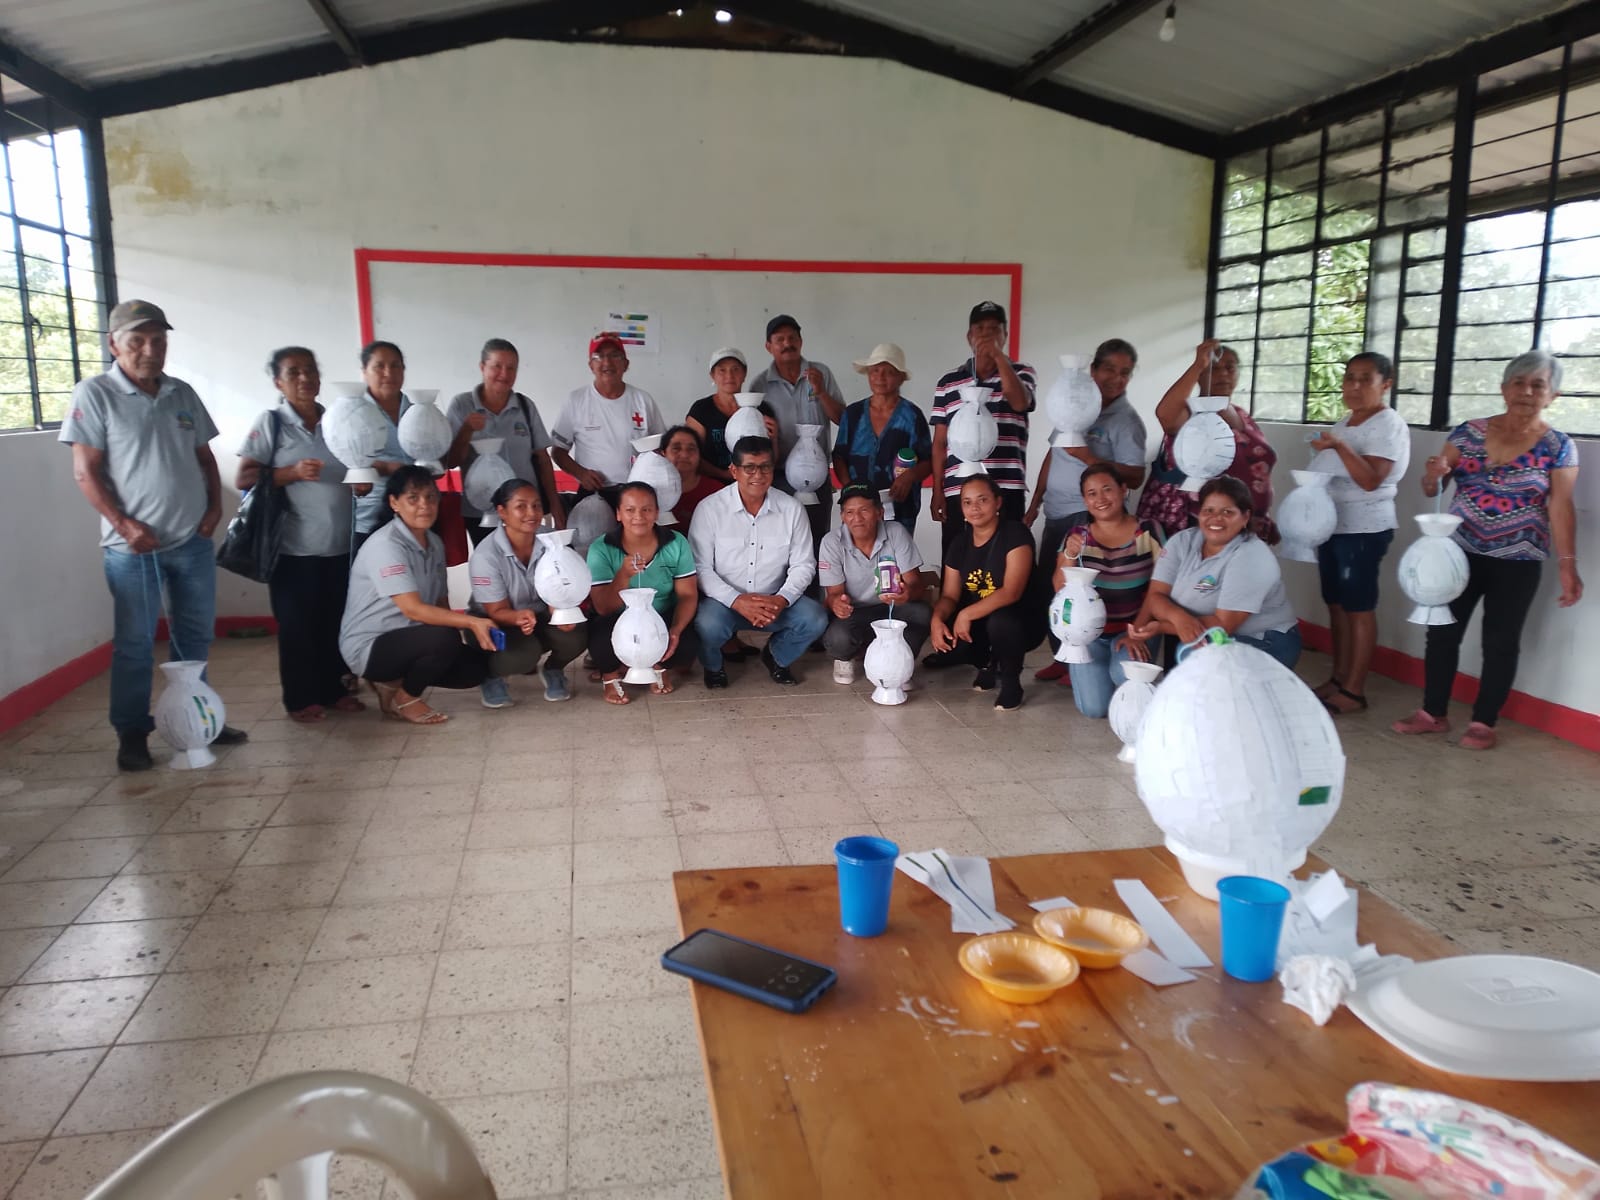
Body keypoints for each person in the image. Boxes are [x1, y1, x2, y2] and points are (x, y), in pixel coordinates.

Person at [60, 299, 249, 770]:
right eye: (138, 340)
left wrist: (214, 508)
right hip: (131, 550)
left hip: (190, 542)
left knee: (194, 639)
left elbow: (205, 459)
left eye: (159, 340)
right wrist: (125, 525)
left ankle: (199, 718)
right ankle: (132, 732)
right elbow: (85, 472)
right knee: (135, 644)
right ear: (114, 344)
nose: (150, 350)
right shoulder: (95, 394)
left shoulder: (181, 393)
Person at [1393, 350, 1582, 751]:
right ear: (1503, 389)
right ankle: (1432, 713)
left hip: (1519, 559)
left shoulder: (1558, 446)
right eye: (1519, 383)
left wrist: (1568, 565)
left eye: (1538, 385)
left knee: (1500, 641)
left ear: (1553, 396)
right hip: (1457, 554)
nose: (1526, 391)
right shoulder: (1468, 433)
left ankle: (1483, 722)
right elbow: (1432, 488)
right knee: (1442, 632)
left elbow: (1561, 507)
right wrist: (1432, 475)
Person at [235, 347, 367, 723]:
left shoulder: (338, 421)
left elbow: (354, 469)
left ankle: (335, 690)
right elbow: (244, 477)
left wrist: (360, 484)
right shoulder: (272, 422)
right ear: (279, 382)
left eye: (310, 370)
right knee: (297, 626)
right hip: (293, 548)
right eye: (293, 372)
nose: (305, 378)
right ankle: (300, 698)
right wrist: (290, 473)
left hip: (340, 544)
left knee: (335, 621)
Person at [1026, 337, 1148, 678]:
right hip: (1055, 513)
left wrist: (1090, 457)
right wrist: (1035, 503)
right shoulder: (1074, 404)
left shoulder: (1127, 422)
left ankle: (1079, 663)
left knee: (1079, 588)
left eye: (1124, 373)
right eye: (1109, 369)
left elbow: (1135, 476)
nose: (1116, 378)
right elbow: (1052, 456)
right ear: (1093, 370)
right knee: (1052, 586)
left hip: (1088, 515)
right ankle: (1063, 656)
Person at [339, 466, 495, 725]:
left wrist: (458, 638)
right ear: (394, 503)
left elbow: (441, 601)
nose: (424, 505)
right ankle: (406, 699)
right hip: (370, 645)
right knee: (443, 638)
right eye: (413, 498)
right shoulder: (386, 545)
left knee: (474, 669)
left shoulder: (434, 543)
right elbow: (412, 609)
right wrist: (471, 622)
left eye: (431, 497)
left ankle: (392, 683)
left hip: (411, 636)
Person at [1306, 352, 1412, 715]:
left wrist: (1338, 446)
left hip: (1364, 528)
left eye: (1365, 379)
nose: (1354, 386)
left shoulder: (1388, 424)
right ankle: (1338, 678)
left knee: (1358, 608)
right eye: (1349, 377)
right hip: (1332, 525)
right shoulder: (1346, 421)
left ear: (1386, 384)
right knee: (1336, 605)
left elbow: (1370, 480)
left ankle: (1354, 690)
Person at [688, 436, 829, 688]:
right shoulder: (709, 509)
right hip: (725, 603)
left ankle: (777, 656)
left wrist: (782, 599)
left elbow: (804, 564)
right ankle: (713, 666)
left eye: (765, 467)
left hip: (774, 600)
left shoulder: (792, 509)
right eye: (749, 468)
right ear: (734, 471)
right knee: (706, 624)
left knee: (815, 618)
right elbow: (700, 568)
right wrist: (737, 600)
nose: (758, 475)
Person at [1129, 476, 1300, 668]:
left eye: (1227, 512)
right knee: (1184, 667)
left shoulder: (1251, 556)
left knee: (1196, 658)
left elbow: (1223, 624)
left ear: (1245, 517)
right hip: (1197, 632)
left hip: (1263, 640)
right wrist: (1178, 618)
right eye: (1208, 510)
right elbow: (1156, 596)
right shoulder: (1182, 541)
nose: (1216, 518)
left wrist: (1163, 626)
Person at [1049, 465, 1166, 716]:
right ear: (1084, 500)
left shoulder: (1148, 531)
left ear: (1123, 490)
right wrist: (1070, 554)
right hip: (1090, 635)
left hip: (1136, 626)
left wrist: (1137, 632)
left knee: (1124, 677)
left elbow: (1161, 588)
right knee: (1093, 708)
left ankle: (1137, 684)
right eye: (1091, 493)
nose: (1100, 499)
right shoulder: (1077, 535)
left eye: (1107, 489)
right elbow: (1060, 589)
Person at [1137, 339, 1278, 544]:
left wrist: (1262, 515)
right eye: (1214, 368)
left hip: (1245, 526)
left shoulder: (1242, 415)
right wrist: (1197, 365)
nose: (1223, 374)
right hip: (1199, 526)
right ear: (1200, 376)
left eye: (1230, 368)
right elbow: (1165, 415)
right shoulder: (1190, 415)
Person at [926, 475, 1044, 710]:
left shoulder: (1015, 534)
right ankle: (988, 663)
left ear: (997, 502)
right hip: (982, 617)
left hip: (1022, 620)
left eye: (982, 500)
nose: (975, 508)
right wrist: (936, 620)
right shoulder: (960, 543)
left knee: (1001, 620)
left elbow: (1011, 592)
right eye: (967, 502)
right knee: (948, 623)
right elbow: (949, 595)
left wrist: (966, 615)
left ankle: (1011, 682)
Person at [930, 301, 1037, 554]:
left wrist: (998, 357)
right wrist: (937, 491)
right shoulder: (948, 382)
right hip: (959, 490)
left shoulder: (1022, 373)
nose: (987, 335)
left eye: (994, 329)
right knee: (957, 557)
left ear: (1005, 335)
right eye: (980, 329)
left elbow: (1020, 402)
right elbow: (940, 443)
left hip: (1006, 486)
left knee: (1007, 557)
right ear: (969, 336)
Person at [469, 479, 586, 708]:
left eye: (536, 505)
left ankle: (553, 669)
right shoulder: (486, 555)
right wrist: (517, 617)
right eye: (521, 506)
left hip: (538, 615)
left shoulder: (553, 541)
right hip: (495, 620)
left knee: (577, 633)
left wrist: (560, 608)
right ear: (502, 511)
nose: (531, 513)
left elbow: (565, 581)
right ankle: (491, 675)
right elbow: (496, 610)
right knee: (524, 656)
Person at [587, 481, 701, 703]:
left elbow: (688, 595)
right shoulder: (601, 548)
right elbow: (603, 607)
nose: (638, 516)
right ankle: (611, 675)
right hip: (617, 618)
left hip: (661, 614)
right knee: (600, 641)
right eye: (630, 510)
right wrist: (623, 576)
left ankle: (657, 664)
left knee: (688, 644)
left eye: (646, 509)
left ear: (657, 512)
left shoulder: (676, 542)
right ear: (618, 514)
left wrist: (675, 630)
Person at [445, 338, 565, 541]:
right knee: (489, 560)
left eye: (511, 368)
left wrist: (555, 504)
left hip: (526, 511)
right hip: (481, 513)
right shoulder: (462, 405)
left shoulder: (525, 406)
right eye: (497, 366)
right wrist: (466, 430)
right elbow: (450, 462)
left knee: (530, 560)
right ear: (482, 367)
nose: (504, 374)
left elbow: (543, 458)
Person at [747, 315, 845, 558]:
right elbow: (754, 437)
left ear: (801, 341)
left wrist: (821, 392)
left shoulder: (821, 373)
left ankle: (815, 584)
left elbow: (842, 419)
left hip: (817, 477)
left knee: (817, 541)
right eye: (779, 339)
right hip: (777, 477)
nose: (787, 344)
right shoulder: (760, 385)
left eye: (792, 338)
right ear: (768, 346)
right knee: (780, 544)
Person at [819, 484, 932, 683]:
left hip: (893, 607)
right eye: (850, 512)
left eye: (864, 510)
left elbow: (916, 584)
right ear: (842, 516)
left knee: (922, 613)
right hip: (855, 611)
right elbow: (834, 594)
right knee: (838, 638)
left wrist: (906, 594)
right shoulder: (832, 542)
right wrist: (838, 603)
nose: (857, 518)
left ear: (880, 512)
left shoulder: (896, 532)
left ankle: (899, 662)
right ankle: (847, 657)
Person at [833, 343, 933, 534]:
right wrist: (849, 490)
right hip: (858, 511)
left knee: (897, 552)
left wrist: (910, 476)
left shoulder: (912, 416)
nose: (880, 377)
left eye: (889, 372)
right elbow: (839, 456)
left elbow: (928, 460)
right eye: (875, 371)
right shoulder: (853, 414)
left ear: (901, 378)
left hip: (901, 507)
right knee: (858, 551)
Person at [551, 333, 665, 496]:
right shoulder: (575, 400)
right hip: (593, 492)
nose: (607, 362)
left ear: (626, 364)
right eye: (599, 356)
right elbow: (558, 451)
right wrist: (581, 473)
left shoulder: (643, 400)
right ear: (591, 365)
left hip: (636, 493)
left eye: (615, 355)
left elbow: (661, 447)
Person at [350, 340, 416, 549]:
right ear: (364, 372)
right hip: (370, 516)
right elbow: (340, 461)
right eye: (379, 366)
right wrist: (385, 468)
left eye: (396, 366)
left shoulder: (418, 412)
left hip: (417, 515)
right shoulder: (351, 414)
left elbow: (439, 459)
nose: (389, 373)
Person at [685, 348, 778, 481]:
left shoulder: (761, 409)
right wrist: (724, 474)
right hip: (713, 483)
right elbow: (691, 455)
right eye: (722, 370)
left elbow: (772, 457)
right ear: (712, 375)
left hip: (754, 482)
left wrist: (774, 438)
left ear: (744, 373)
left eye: (735, 369)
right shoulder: (701, 410)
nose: (729, 375)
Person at [663, 424, 724, 527]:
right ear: (663, 454)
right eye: (676, 448)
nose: (684, 455)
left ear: (700, 455)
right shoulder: (651, 492)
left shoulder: (717, 492)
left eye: (691, 449)